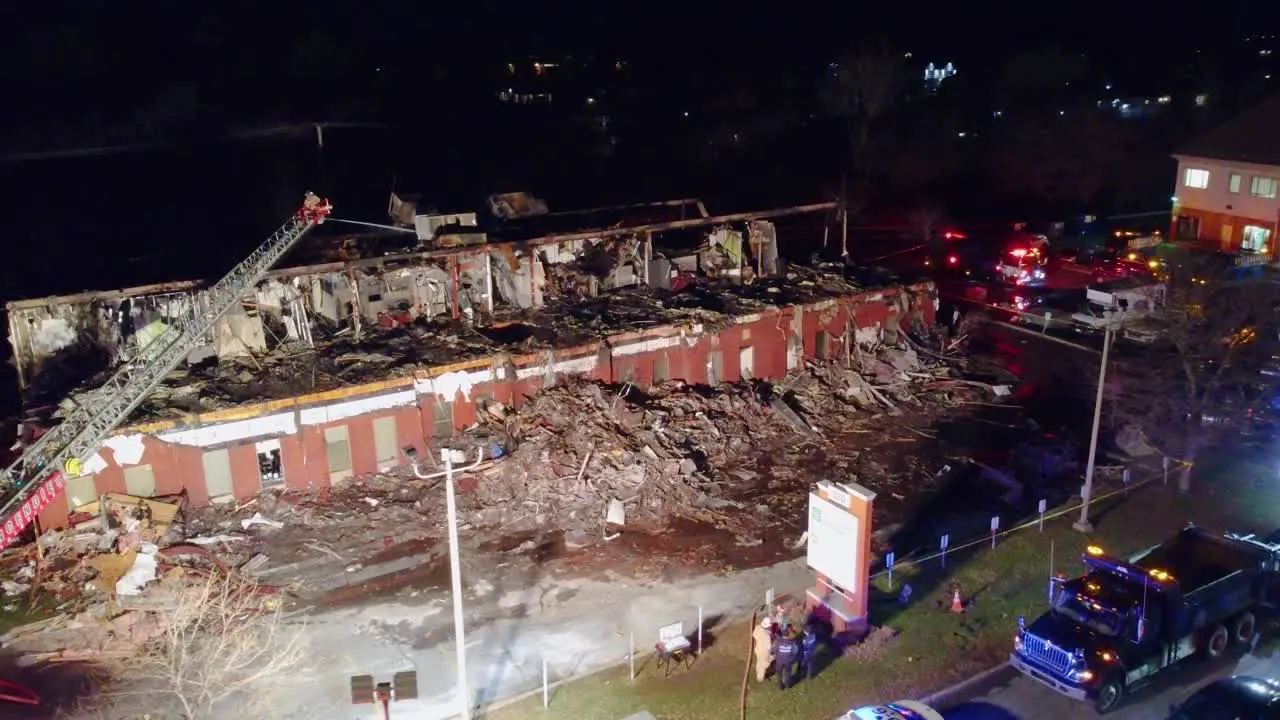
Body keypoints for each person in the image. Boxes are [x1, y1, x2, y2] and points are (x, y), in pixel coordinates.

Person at [751, 617, 774, 683]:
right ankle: (760, 678)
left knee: (759, 663)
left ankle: (759, 673)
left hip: (758, 649)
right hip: (763, 652)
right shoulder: (767, 636)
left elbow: (754, 634)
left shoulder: (757, 628)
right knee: (763, 665)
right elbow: (769, 647)